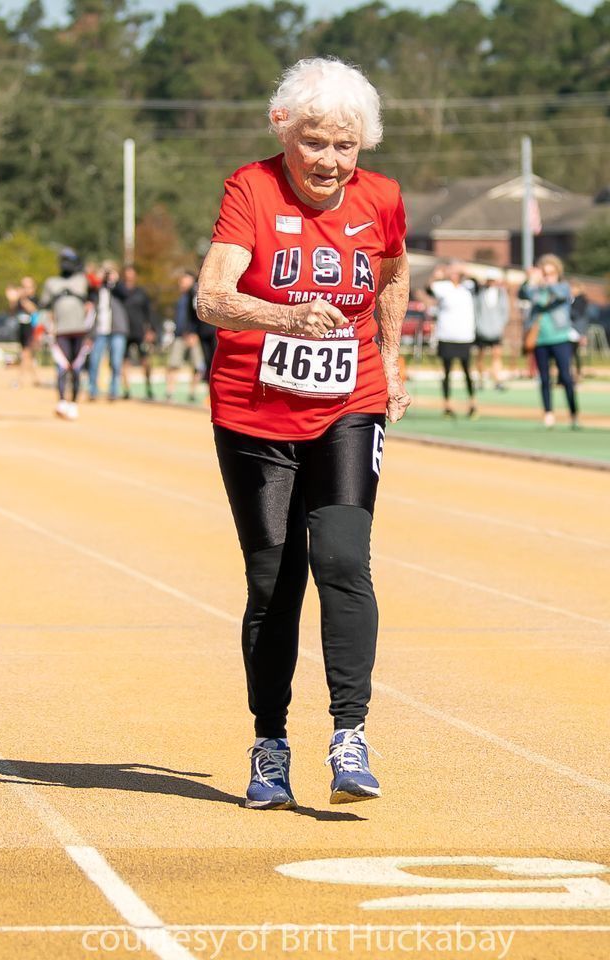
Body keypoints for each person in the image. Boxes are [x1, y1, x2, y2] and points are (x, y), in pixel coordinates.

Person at [197, 57, 410, 809]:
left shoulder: (381, 197)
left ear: (364, 148)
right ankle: (270, 743)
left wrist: (390, 358)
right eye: (315, 142)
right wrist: (284, 316)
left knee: (345, 558)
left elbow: (390, 272)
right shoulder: (250, 189)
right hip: (255, 408)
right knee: (275, 577)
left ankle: (350, 734)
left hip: (349, 400)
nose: (328, 160)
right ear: (285, 131)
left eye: (345, 146)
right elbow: (212, 297)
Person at [519, 254, 578, 429]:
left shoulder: (562, 287)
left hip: (560, 337)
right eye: (544, 273)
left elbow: (559, 296)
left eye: (550, 273)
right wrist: (529, 279)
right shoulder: (536, 290)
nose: (547, 276)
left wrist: (546, 283)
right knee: (544, 378)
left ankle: (573, 413)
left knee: (566, 377)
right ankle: (548, 413)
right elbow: (522, 293)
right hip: (540, 339)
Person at [39, 248, 94, 420]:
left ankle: (74, 403)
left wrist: (91, 331)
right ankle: (62, 401)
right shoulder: (51, 283)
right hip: (61, 332)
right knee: (62, 367)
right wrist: (49, 327)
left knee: (77, 368)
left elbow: (94, 304)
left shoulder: (82, 281)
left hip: (79, 331)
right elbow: (44, 308)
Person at [427, 262, 477, 418]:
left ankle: (472, 403)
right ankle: (447, 404)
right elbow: (429, 289)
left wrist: (464, 270)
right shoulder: (443, 287)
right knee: (447, 371)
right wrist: (435, 276)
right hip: (447, 335)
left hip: (464, 336)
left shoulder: (468, 286)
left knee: (467, 371)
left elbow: (477, 283)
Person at [88, 262, 129, 402]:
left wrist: (114, 281)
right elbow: (89, 293)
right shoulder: (97, 289)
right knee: (94, 361)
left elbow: (125, 294)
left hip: (117, 329)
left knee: (116, 362)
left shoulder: (118, 288)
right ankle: (93, 390)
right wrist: (99, 278)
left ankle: (113, 391)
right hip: (99, 330)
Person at [166, 271, 205, 402]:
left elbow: (197, 317)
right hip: (179, 335)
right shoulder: (181, 297)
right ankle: (170, 392)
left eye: (184, 279)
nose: (181, 282)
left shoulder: (195, 295)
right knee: (173, 364)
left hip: (193, 336)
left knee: (197, 365)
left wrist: (194, 332)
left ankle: (192, 392)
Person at [119, 265, 156, 400]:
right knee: (124, 361)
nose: (129, 276)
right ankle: (126, 389)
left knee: (145, 360)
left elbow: (149, 312)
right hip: (124, 331)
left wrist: (151, 329)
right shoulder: (120, 292)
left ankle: (148, 387)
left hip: (139, 332)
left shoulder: (141, 292)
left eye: (131, 274)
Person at [473, 268, 509, 391]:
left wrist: (500, 326)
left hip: (496, 331)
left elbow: (505, 312)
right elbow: (476, 310)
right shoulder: (479, 293)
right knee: (480, 356)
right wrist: (478, 326)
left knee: (497, 356)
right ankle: (480, 379)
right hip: (482, 330)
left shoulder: (501, 293)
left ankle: (497, 380)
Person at [6, 276, 40, 387]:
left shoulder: (33, 298)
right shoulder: (19, 300)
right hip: (21, 329)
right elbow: (11, 311)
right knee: (28, 355)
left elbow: (34, 310)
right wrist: (13, 300)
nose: (25, 289)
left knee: (25, 354)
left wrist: (24, 299)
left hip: (31, 329)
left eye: (27, 287)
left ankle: (19, 379)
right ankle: (36, 379)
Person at [569, 282, 590, 383]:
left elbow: (578, 316)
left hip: (576, 330)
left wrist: (582, 334)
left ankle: (577, 374)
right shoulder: (573, 299)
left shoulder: (580, 300)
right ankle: (573, 374)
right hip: (573, 329)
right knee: (572, 353)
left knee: (573, 352)